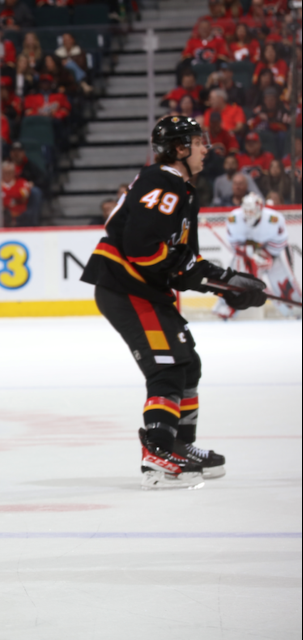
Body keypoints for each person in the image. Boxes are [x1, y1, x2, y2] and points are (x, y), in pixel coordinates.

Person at [81, 116, 268, 490]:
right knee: (166, 367)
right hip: (126, 286)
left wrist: (226, 285)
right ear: (180, 148)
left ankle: (180, 445)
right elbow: (141, 248)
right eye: (199, 142)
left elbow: (182, 265)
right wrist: (222, 281)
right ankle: (158, 450)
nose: (206, 147)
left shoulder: (181, 190)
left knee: (187, 365)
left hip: (145, 289)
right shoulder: (162, 182)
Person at [213, 193, 301, 319]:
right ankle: (228, 307)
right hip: (247, 255)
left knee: (281, 280)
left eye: (252, 210)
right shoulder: (234, 218)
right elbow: (235, 245)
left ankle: (295, 307)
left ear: (260, 208)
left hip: (274, 254)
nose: (249, 213)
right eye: (246, 210)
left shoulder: (273, 218)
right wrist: (249, 252)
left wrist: (265, 255)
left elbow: (281, 242)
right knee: (236, 276)